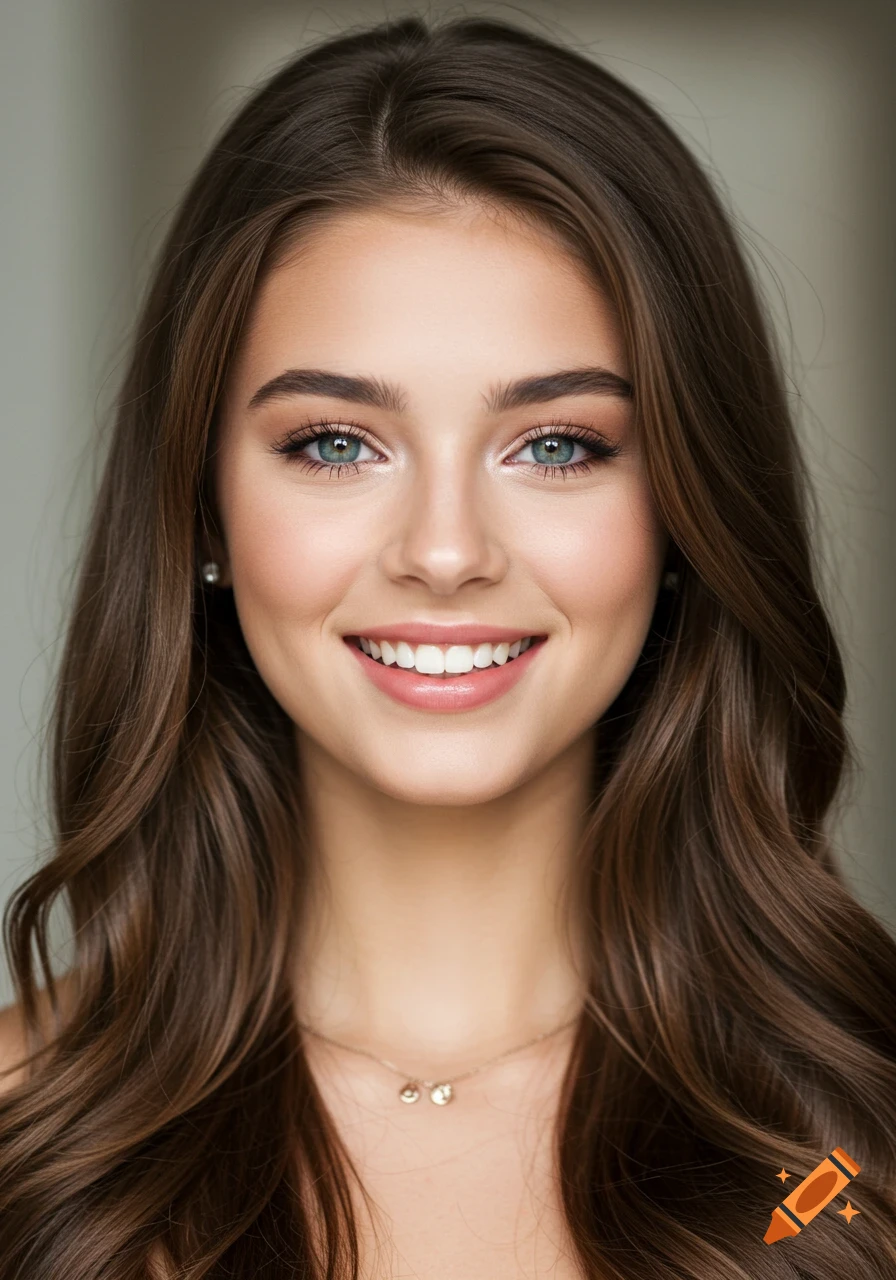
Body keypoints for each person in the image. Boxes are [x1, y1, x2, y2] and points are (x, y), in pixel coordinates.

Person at [1, 13, 895, 1279]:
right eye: (333, 442)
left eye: (557, 444)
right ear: (200, 505)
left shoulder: (843, 1159)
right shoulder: (22, 1139)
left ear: (685, 508)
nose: (442, 548)